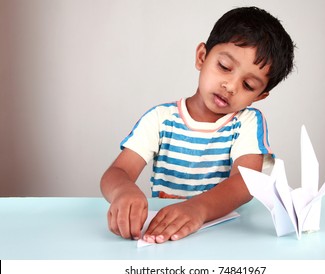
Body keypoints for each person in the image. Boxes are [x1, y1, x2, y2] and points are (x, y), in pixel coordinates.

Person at [100, 6, 295, 243]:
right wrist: (123, 191)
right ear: (202, 57)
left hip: (225, 236)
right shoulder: (161, 119)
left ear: (260, 96)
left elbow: (246, 183)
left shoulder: (247, 123)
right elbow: (117, 173)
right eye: (224, 67)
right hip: (163, 234)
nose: (231, 86)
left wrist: (198, 209)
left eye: (248, 86)